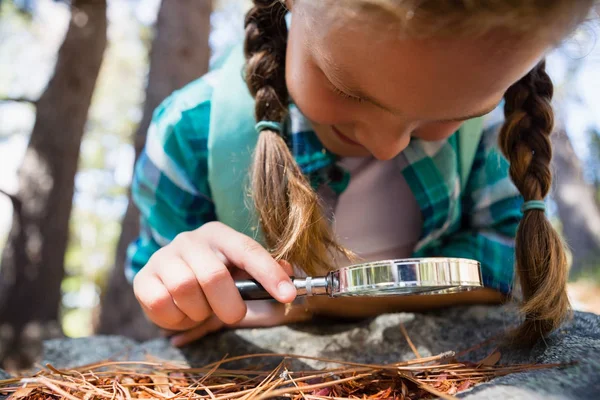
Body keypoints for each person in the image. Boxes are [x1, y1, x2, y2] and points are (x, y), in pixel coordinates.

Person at [125, 0, 595, 347]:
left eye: (445, 114)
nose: (385, 144)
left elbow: (510, 257)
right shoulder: (189, 135)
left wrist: (330, 300)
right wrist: (179, 283)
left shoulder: (493, 135)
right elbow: (169, 310)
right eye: (348, 91)